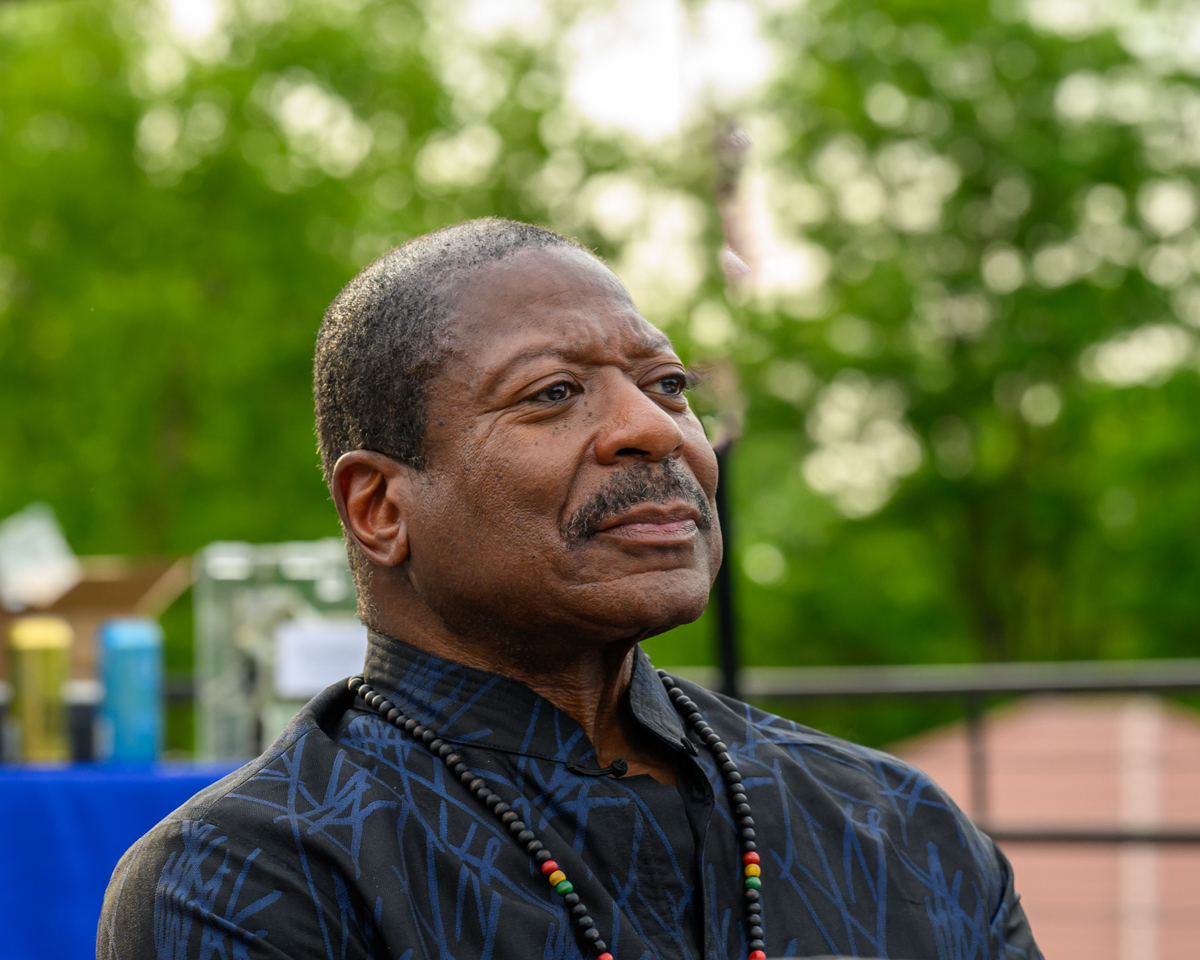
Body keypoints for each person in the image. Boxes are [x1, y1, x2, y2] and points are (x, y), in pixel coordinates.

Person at [98, 219, 1041, 960]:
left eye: (669, 385)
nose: (657, 431)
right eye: (552, 393)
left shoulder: (898, 827)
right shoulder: (252, 878)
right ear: (380, 507)